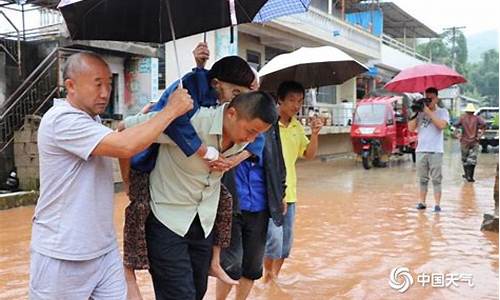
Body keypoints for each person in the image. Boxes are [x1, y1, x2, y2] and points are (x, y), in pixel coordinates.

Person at [29, 52, 193, 299]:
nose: (105, 92)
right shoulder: (61, 120)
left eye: (108, 83)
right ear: (70, 86)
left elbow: (120, 140)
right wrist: (170, 111)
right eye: (97, 84)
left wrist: (128, 181)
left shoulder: (92, 120)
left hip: (102, 249)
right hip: (63, 253)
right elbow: (125, 146)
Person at [120, 45, 262, 299]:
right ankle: (128, 273)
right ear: (218, 85)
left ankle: (215, 262)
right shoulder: (187, 97)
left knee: (196, 292)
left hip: (202, 222)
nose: (238, 100)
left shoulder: (237, 122)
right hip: (166, 214)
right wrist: (128, 178)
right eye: (235, 93)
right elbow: (136, 128)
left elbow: (259, 133)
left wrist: (233, 160)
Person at [215, 98, 287, 300]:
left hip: (260, 205)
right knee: (231, 264)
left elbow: (277, 162)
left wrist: (281, 193)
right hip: (232, 205)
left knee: (253, 265)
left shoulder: (270, 130)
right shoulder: (229, 126)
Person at [263, 81, 323, 282]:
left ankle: (273, 279)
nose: (296, 106)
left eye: (299, 101)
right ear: (279, 100)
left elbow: (309, 154)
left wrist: (314, 134)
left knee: (286, 245)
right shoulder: (267, 125)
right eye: (291, 100)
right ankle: (267, 276)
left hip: (291, 194)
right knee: (273, 241)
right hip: (271, 193)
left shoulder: (297, 126)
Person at [409, 87, 450, 212]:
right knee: (422, 179)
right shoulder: (420, 113)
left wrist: (428, 112)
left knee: (436, 179)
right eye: (426, 99)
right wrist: (415, 112)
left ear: (437, 98)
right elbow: (411, 128)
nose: (428, 101)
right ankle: (422, 202)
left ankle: (437, 204)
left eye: (431, 99)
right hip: (421, 149)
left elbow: (442, 126)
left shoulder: (443, 112)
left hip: (436, 150)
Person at [454, 103, 486, 182]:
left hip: (464, 142)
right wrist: (479, 135)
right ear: (473, 111)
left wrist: (458, 135)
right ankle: (471, 177)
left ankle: (466, 175)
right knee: (473, 160)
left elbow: (455, 126)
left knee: (465, 159)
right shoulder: (477, 118)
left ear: (466, 111)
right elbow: (484, 125)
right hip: (474, 141)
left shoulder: (462, 118)